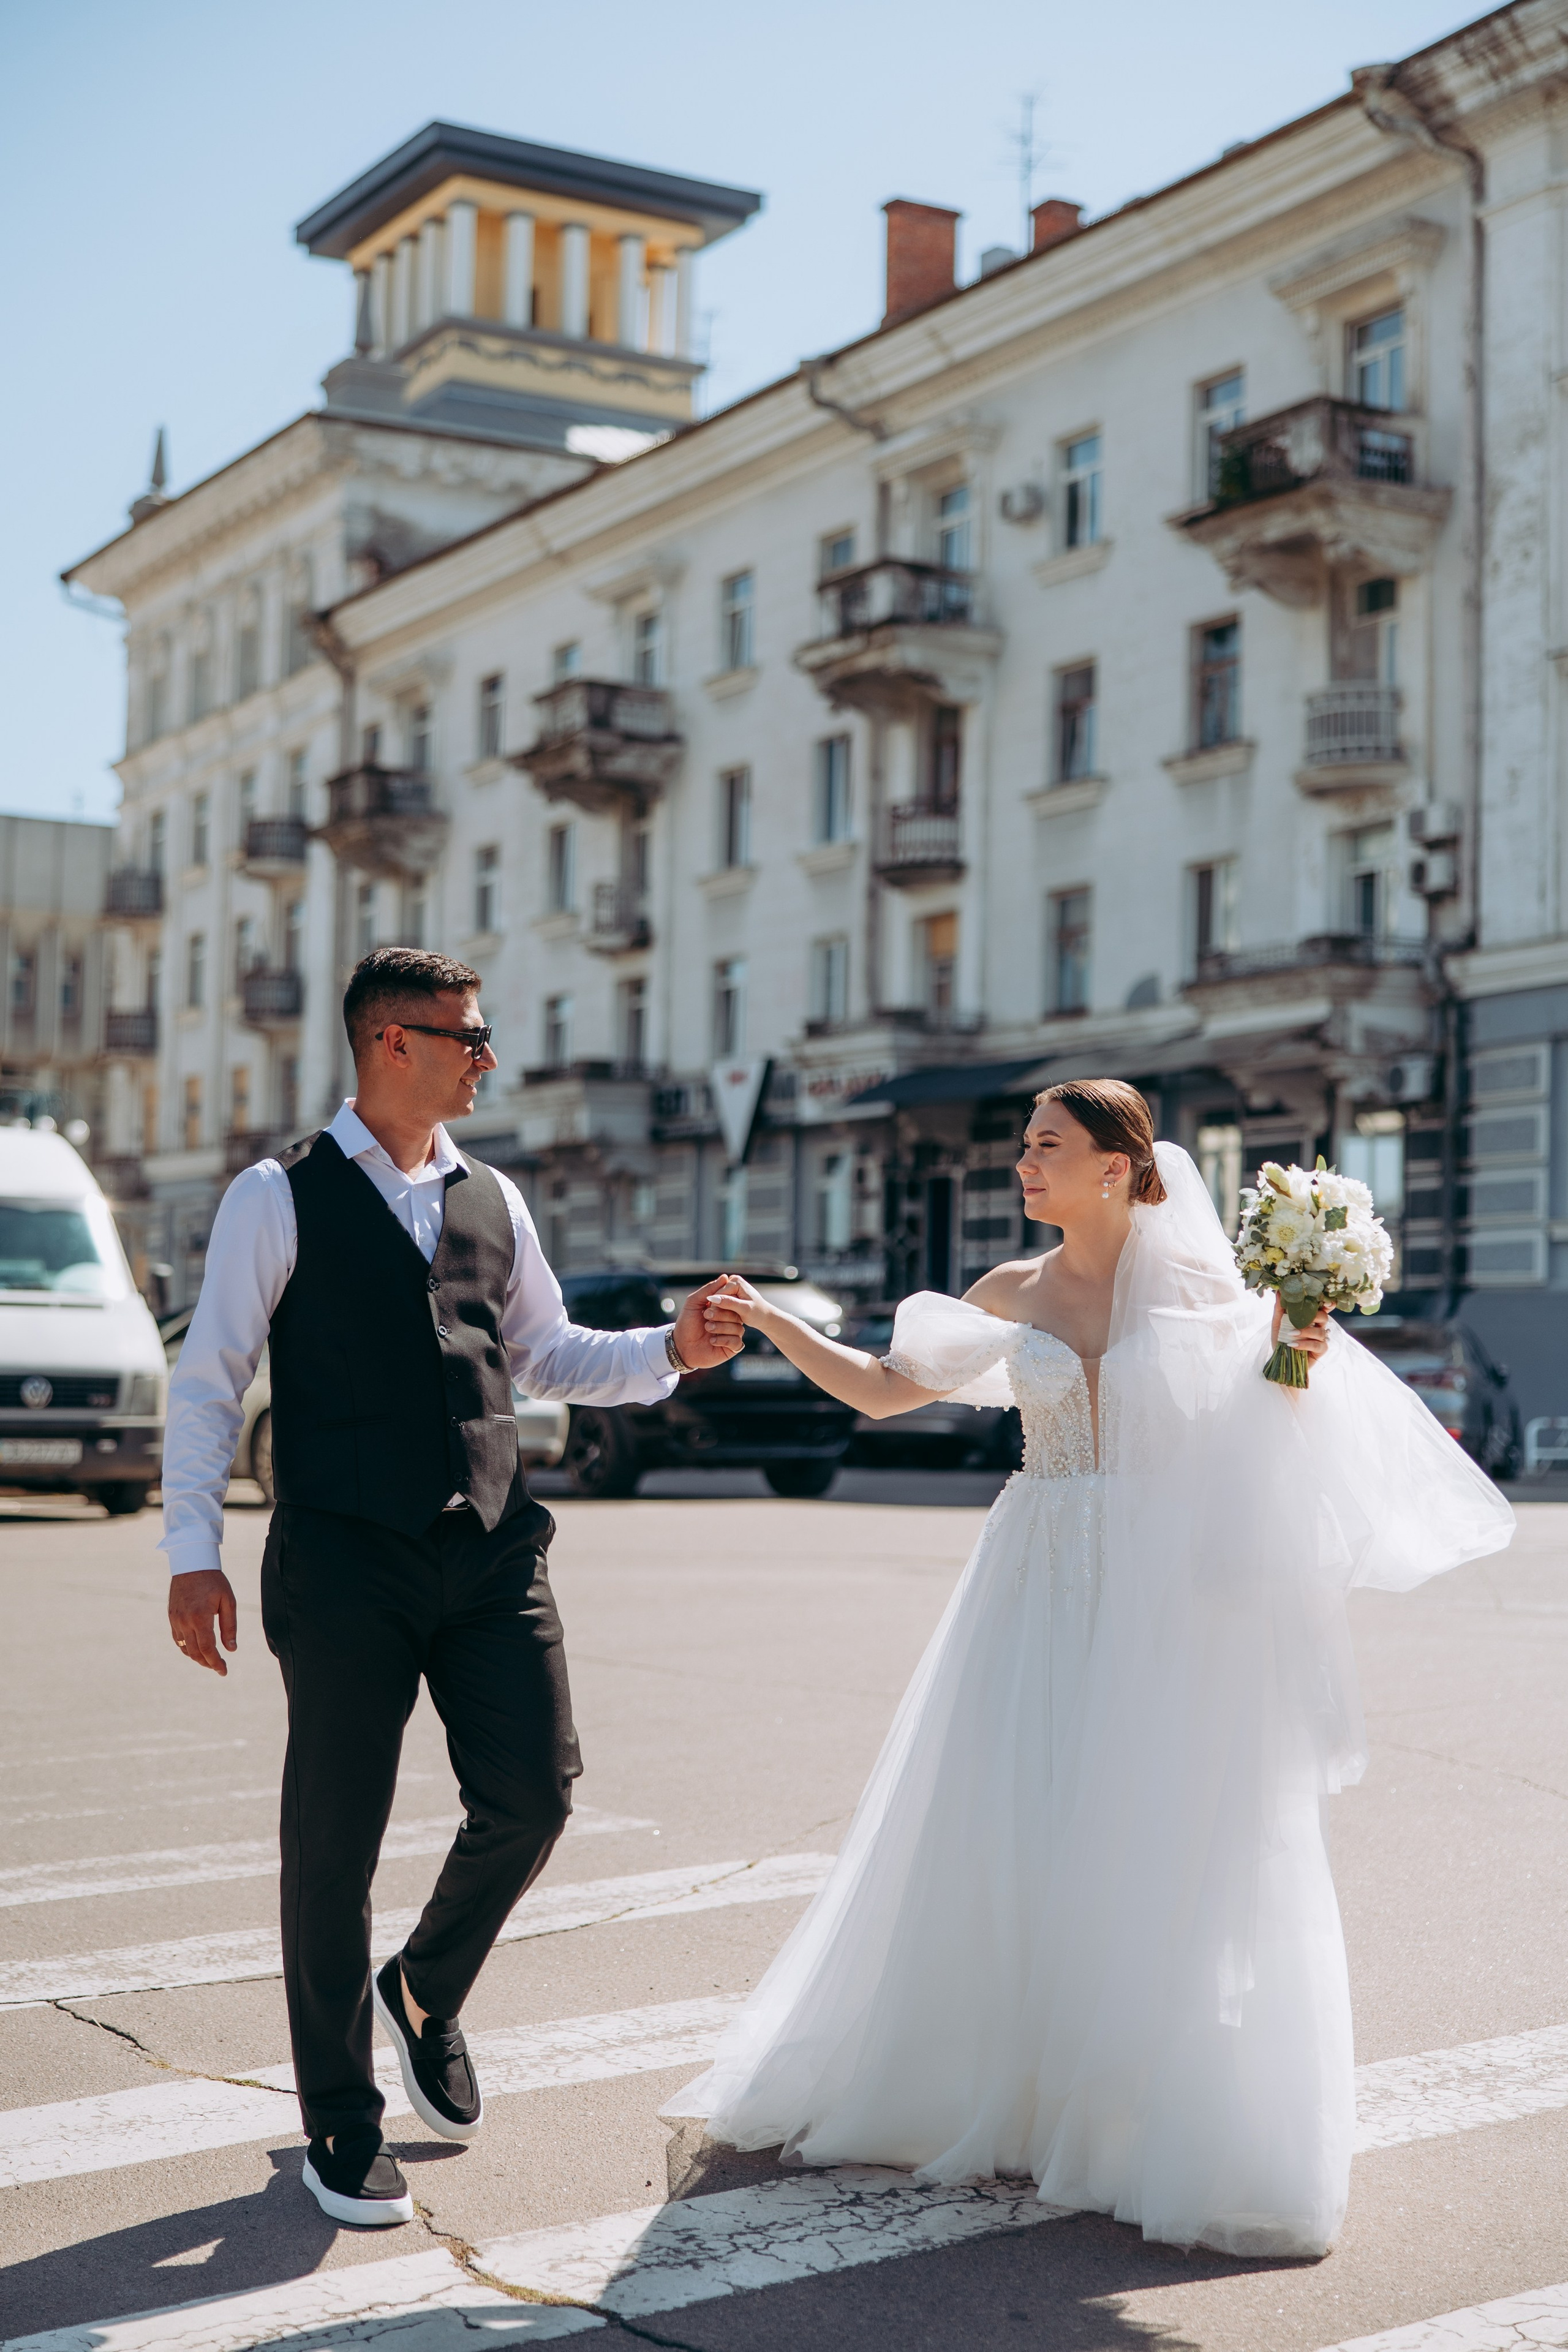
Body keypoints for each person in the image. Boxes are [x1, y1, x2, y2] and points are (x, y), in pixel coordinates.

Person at [673, 1079, 1513, 2256]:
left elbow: (1273, 1434)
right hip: (1037, 1582)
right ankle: (1015, 2087)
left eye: (1047, 1148)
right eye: (1022, 1145)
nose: (1023, 1165)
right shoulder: (1005, 1293)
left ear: (1117, 1167)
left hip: (1168, 1601)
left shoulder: (1218, 1295)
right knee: (1021, 1822)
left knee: (1167, 1843)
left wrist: (1301, 1353)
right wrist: (770, 1320)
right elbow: (875, 1387)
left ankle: (1142, 2108)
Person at [163, 948, 739, 2228]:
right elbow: (209, 1380)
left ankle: (421, 1988)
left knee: (535, 1792)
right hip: (344, 1559)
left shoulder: (495, 1197)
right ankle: (339, 2116)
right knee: (334, 1844)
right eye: (464, 1036)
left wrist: (668, 1350)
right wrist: (189, 1550)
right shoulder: (279, 1195)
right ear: (388, 1044)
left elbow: (545, 1353)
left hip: (488, 1550)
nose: (485, 1057)